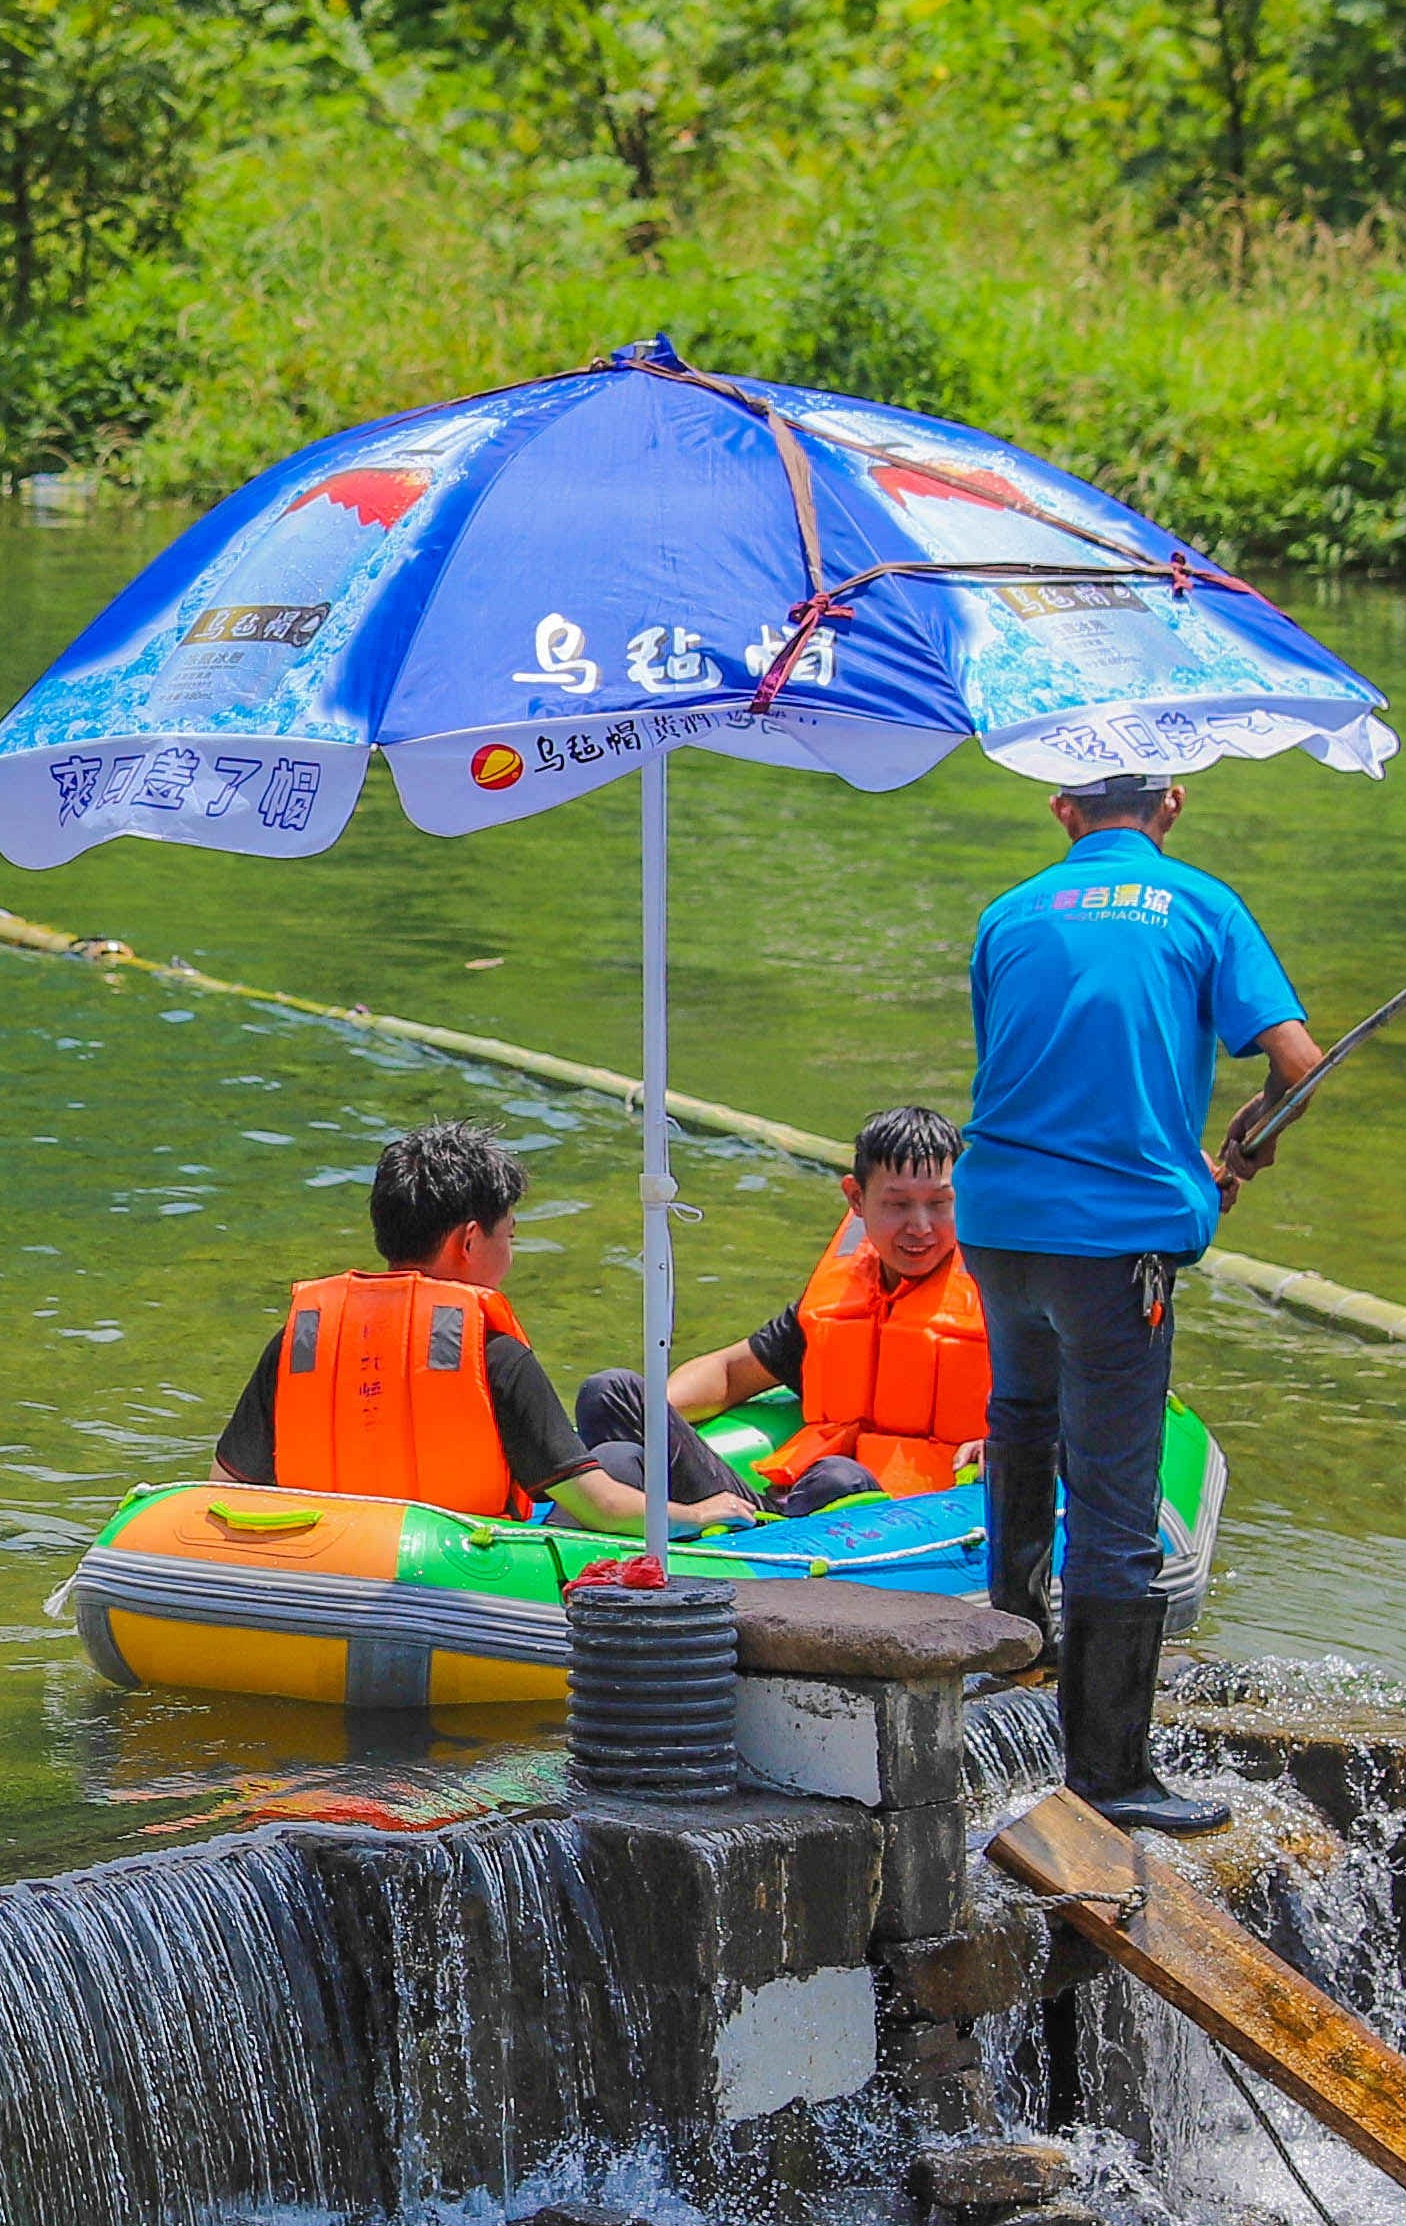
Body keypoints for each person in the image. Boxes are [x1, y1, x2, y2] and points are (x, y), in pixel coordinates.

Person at [965, 771, 1324, 1830]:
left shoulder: (1007, 913)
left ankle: (1015, 1667)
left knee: (1022, 1423)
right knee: (1116, 1503)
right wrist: (1252, 1135)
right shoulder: (1203, 904)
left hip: (997, 1223)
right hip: (1113, 1244)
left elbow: (1034, 1073)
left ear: (1061, 809)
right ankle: (1110, 1775)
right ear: (1171, 802)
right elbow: (1300, 1062)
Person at [210, 1121, 762, 1540]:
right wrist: (698, 1513)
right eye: (510, 1237)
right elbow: (600, 1506)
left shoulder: (301, 1341)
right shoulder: (491, 1353)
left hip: (324, 1557)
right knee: (617, 1461)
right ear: (470, 1241)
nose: (511, 1255)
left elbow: (223, 1485)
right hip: (462, 1571)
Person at [566, 1105, 982, 1521]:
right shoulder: (835, 1304)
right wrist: (657, 1416)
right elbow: (729, 1373)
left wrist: (1000, 1445)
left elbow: (1026, 1411)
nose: (920, 1226)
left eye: (939, 1203)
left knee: (838, 1477)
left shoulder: (998, 1302)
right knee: (610, 1392)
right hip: (769, 1517)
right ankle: (632, 1517)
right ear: (856, 1198)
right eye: (898, 1205)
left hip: (907, 1518)